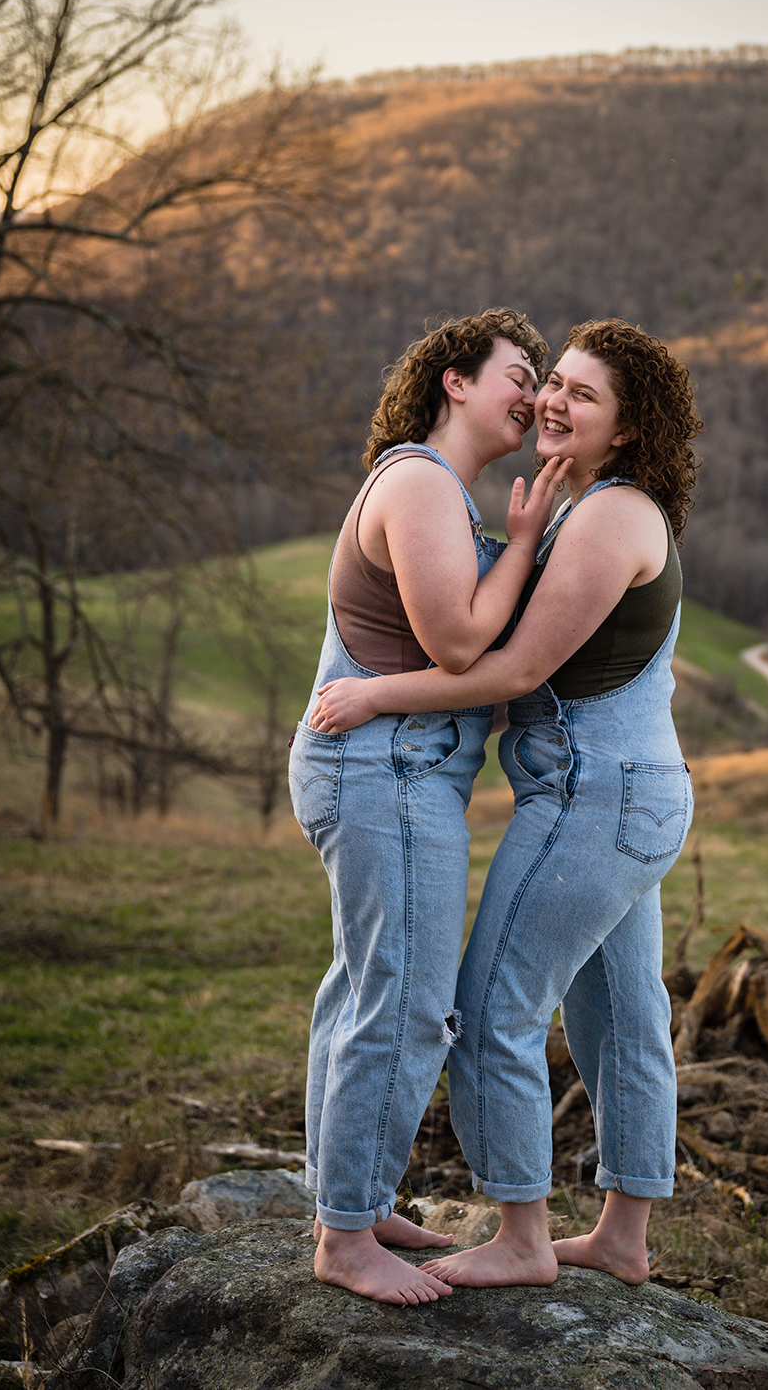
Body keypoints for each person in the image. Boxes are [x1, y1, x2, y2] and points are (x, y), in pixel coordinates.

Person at [311, 318, 703, 1290]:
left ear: (629, 429)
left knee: (492, 1009)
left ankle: (525, 1240)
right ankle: (621, 1236)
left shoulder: (609, 514)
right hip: (623, 797)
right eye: (547, 383)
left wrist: (374, 693)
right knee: (619, 1014)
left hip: (592, 800)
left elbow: (513, 664)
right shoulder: (586, 506)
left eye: (579, 394)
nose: (551, 403)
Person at [289, 308, 570, 1306]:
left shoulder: (438, 490)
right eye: (517, 371)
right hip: (387, 768)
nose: (533, 391)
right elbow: (456, 644)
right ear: (455, 380)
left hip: (394, 767)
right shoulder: (416, 482)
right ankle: (345, 1239)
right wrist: (530, 545)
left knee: (364, 988)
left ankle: (351, 1204)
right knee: (405, 1002)